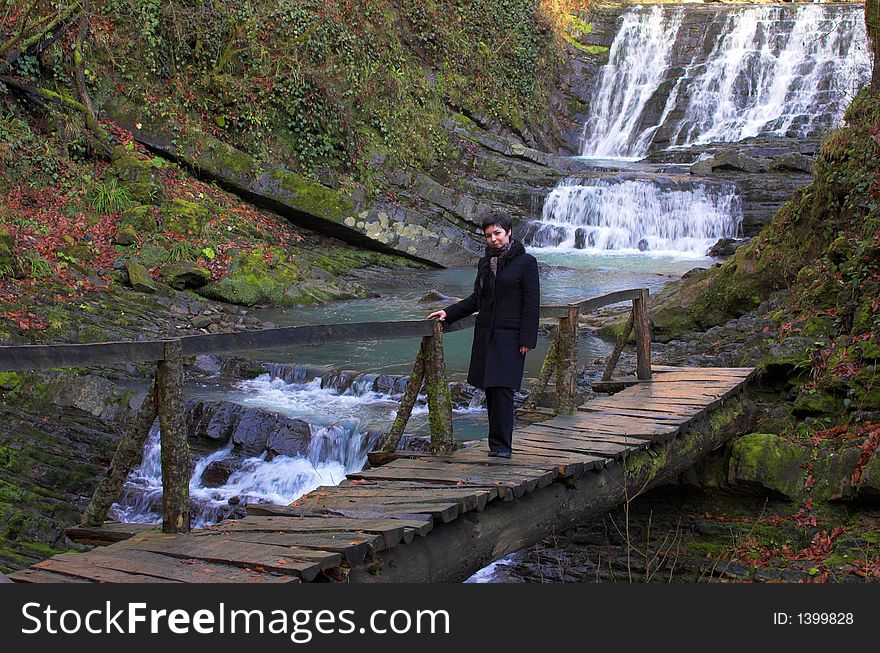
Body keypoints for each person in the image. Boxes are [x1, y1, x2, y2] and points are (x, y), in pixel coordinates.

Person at [427, 213, 540, 458]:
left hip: (510, 337)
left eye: (497, 233)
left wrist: (527, 340)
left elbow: (532, 304)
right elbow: (477, 299)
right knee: (490, 389)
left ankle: (502, 448)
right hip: (486, 334)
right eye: (488, 235)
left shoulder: (526, 262)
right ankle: (495, 447)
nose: (493, 239)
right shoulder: (484, 263)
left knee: (503, 390)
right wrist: (448, 312)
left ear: (509, 232)